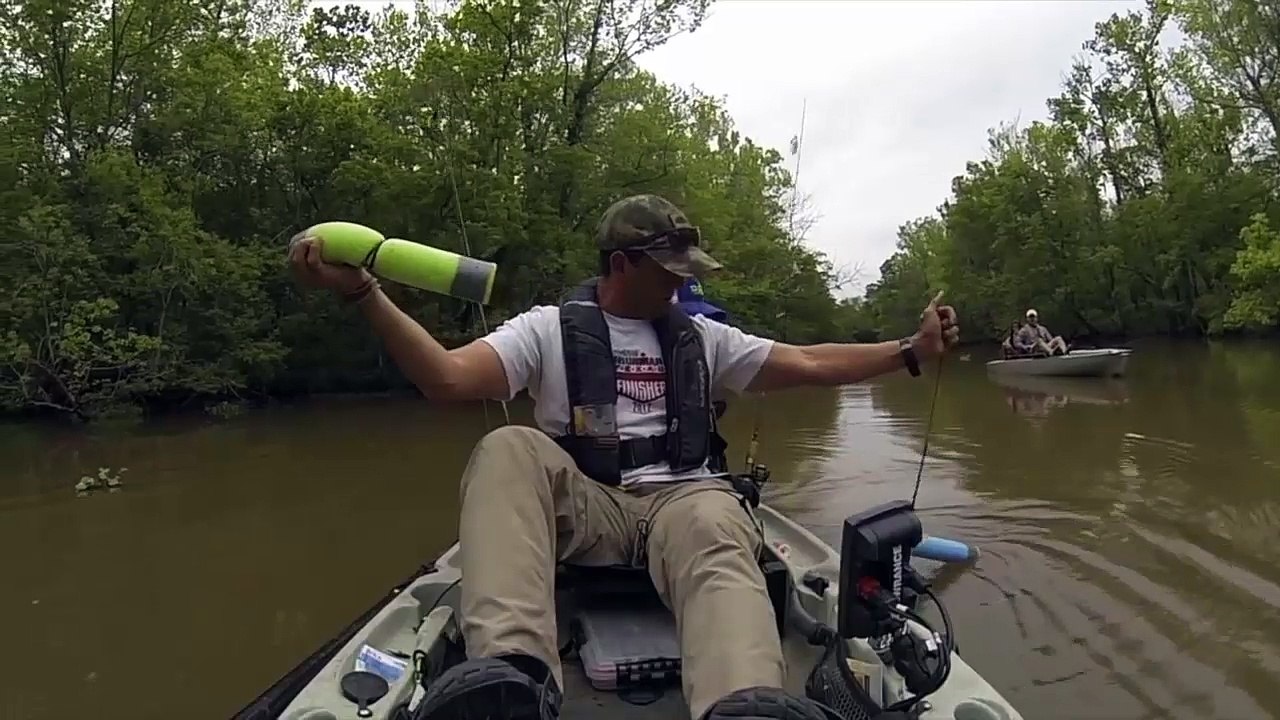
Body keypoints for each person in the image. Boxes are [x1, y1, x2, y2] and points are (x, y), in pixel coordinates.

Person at [287, 194, 960, 720]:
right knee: (506, 447)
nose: (678, 286)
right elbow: (447, 380)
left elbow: (810, 361)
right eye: (667, 273)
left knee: (714, 517)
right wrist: (362, 293)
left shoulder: (703, 337)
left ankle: (745, 704)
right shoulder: (547, 330)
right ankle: (512, 682)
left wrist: (907, 352)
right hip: (591, 508)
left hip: (684, 504)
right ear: (619, 266)